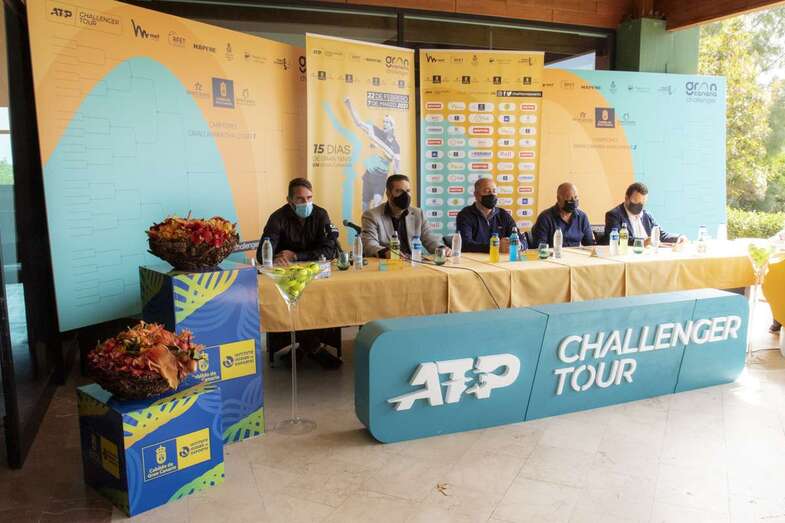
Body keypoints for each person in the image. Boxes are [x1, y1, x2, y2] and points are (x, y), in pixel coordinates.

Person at [257, 178, 341, 369]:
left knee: (325, 298)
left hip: (318, 277)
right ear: (289, 200)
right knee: (296, 300)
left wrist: (295, 256)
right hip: (289, 280)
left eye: (309, 198)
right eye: (300, 199)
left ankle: (305, 347)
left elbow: (330, 250)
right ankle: (313, 347)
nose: (306, 203)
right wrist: (276, 257)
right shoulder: (277, 218)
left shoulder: (321, 215)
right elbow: (263, 253)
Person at [361, 174, 449, 258]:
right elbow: (369, 245)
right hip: (389, 263)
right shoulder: (371, 216)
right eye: (398, 191)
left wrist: (442, 248)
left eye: (408, 191)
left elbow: (430, 239)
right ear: (388, 194)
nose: (405, 195)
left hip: (414, 262)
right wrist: (386, 252)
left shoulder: (418, 213)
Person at [344, 97, 401, 212]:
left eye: (387, 122)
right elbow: (359, 123)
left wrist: (396, 189)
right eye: (384, 122)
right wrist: (349, 105)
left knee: (376, 204)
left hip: (381, 178)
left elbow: (396, 170)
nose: (384, 124)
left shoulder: (396, 146)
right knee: (365, 206)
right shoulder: (375, 132)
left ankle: (375, 224)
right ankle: (365, 224)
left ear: (392, 126)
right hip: (369, 175)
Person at [456, 176, 526, 253]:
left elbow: (522, 240)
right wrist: (496, 247)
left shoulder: (503, 215)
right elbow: (465, 244)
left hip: (500, 259)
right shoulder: (465, 215)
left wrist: (519, 245)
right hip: (474, 259)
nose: (492, 194)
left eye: (494, 191)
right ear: (476, 194)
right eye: (487, 191)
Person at [604, 182, 687, 246]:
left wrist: (679, 237)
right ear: (626, 198)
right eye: (636, 202)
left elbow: (660, 235)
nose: (640, 206)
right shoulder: (613, 215)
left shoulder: (647, 215)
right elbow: (617, 240)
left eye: (642, 203)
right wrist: (642, 242)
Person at [531, 182, 594, 248]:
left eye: (575, 197)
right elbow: (540, 247)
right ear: (559, 199)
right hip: (553, 253)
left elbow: (589, 244)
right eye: (569, 198)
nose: (573, 201)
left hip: (575, 254)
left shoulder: (582, 217)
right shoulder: (545, 218)